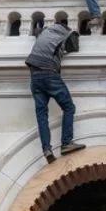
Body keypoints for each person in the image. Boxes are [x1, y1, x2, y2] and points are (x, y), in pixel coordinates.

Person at [25, 21, 84, 164]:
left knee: (41, 114)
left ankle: (47, 149)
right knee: (69, 107)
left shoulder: (44, 32)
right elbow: (74, 46)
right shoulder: (66, 32)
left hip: (34, 75)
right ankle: (66, 143)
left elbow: (36, 31)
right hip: (49, 74)